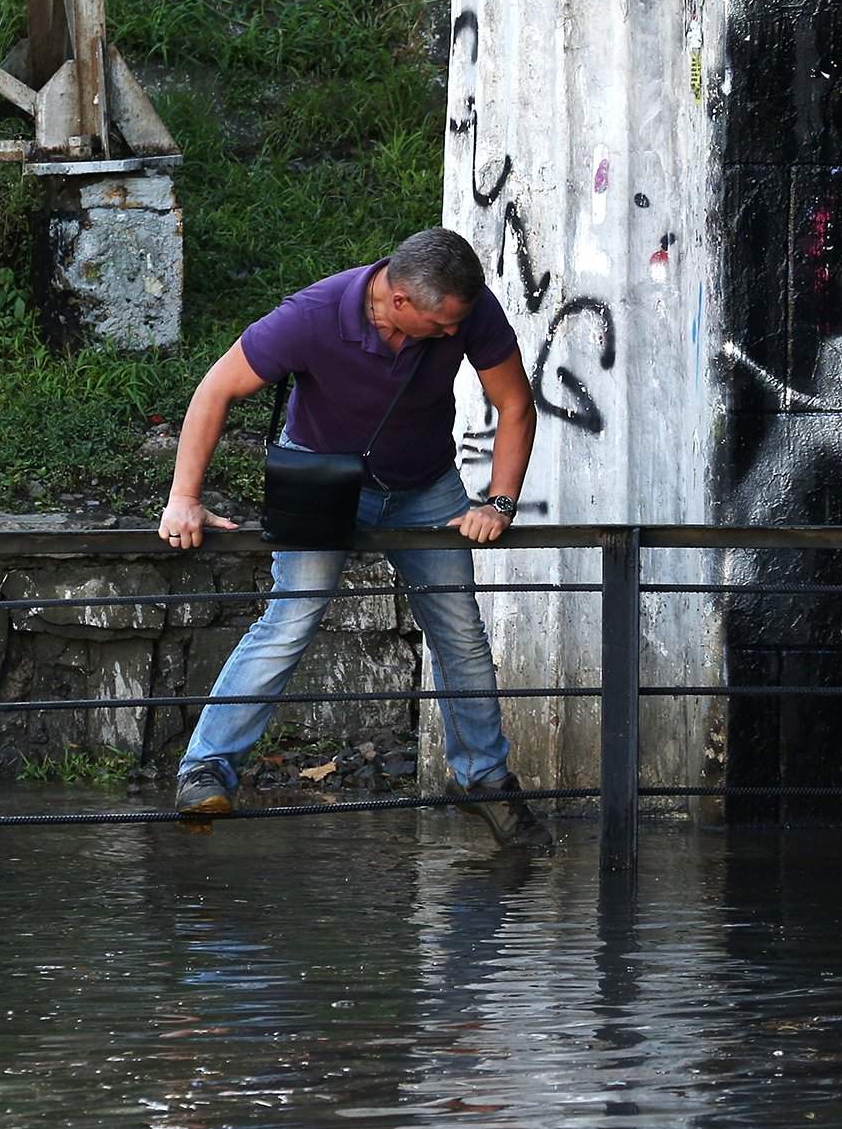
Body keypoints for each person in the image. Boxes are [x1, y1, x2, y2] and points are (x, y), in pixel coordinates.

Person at [156, 227, 550, 849]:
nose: (454, 335)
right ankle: (205, 770)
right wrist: (184, 499)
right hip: (321, 477)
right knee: (290, 620)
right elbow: (216, 389)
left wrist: (497, 502)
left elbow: (515, 404)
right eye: (442, 325)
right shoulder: (311, 317)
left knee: (460, 632)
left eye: (458, 324)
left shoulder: (463, 308)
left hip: (424, 484)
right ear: (398, 302)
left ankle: (485, 780)